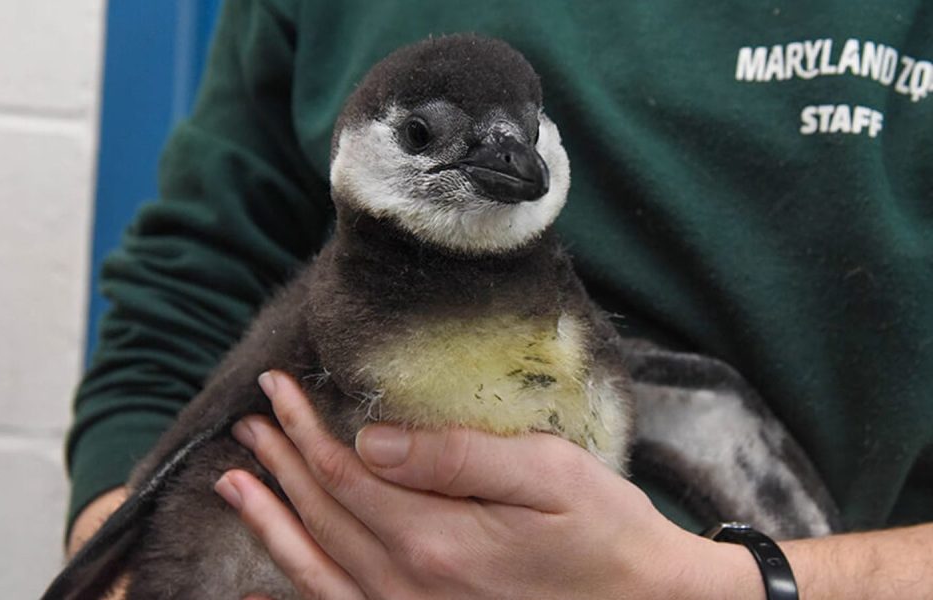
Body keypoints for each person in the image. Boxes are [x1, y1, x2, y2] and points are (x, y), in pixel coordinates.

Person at [66, 1, 933, 598]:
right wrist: (131, 565)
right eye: (421, 138)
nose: (504, 155)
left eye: (522, 133)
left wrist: (715, 586)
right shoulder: (327, 320)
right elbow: (190, 290)